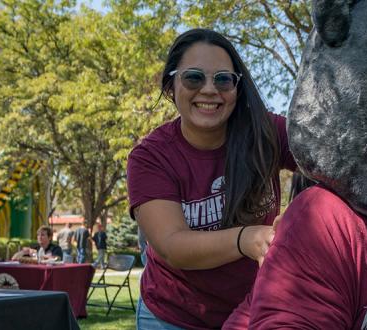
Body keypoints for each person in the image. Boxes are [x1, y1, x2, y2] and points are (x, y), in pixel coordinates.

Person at [126, 28, 295, 329]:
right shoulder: (150, 157)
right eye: (193, 77)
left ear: (237, 88)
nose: (209, 90)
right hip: (172, 316)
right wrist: (248, 238)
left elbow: (331, 161)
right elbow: (172, 246)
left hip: (253, 310)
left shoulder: (266, 133)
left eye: (223, 79)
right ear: (170, 87)